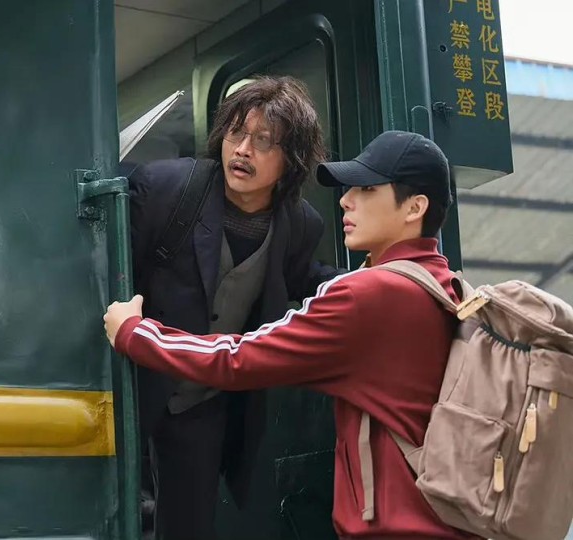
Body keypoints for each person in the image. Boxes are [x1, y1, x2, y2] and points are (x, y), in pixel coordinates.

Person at [107, 130, 480, 539]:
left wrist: (134, 332)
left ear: (415, 207)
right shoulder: (448, 287)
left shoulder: (370, 295)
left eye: (367, 189)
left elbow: (237, 359)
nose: (346, 200)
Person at [125, 76, 332, 540]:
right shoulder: (166, 188)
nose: (242, 150)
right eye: (236, 132)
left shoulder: (301, 224)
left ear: (293, 159)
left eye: (264, 141)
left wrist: (373, 281)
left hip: (203, 402)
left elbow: (299, 278)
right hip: (134, 390)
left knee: (188, 528)